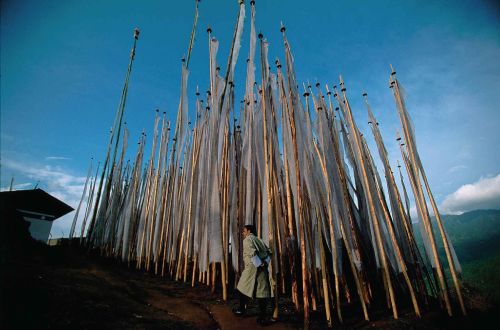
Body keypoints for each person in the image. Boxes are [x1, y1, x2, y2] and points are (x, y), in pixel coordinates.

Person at [233, 225, 274, 325]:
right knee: (261, 292)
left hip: (252, 268)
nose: (243, 233)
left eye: (244, 231)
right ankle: (262, 317)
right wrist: (265, 263)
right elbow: (269, 252)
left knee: (241, 288)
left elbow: (252, 253)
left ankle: (242, 310)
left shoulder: (247, 239)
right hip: (262, 269)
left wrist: (259, 264)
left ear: (249, 231)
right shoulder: (259, 240)